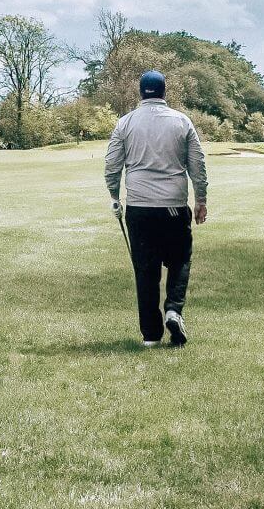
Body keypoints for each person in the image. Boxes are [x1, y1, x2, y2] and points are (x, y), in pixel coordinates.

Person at [104, 70, 208, 347]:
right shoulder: (181, 120)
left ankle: (151, 336)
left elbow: (112, 166)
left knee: (145, 270)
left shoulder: (125, 123)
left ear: (141, 93)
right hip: (174, 206)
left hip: (139, 206)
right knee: (179, 260)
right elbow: (197, 165)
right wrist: (201, 200)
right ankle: (173, 308)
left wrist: (115, 197)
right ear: (164, 92)